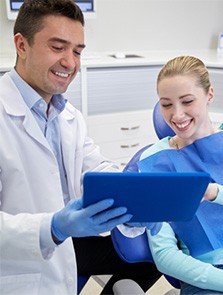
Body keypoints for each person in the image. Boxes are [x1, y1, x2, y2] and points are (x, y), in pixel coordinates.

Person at [0, 1, 162, 294]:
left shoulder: (68, 116)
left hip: (72, 241)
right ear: (21, 45)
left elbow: (95, 166)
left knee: (151, 255)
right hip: (17, 262)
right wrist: (53, 227)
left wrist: (136, 196)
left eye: (77, 51)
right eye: (58, 47)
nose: (70, 63)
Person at [137, 56, 223, 294]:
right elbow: (164, 254)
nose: (177, 115)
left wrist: (214, 192)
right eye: (166, 105)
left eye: (187, 101)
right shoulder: (155, 163)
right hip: (207, 276)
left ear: (210, 95)